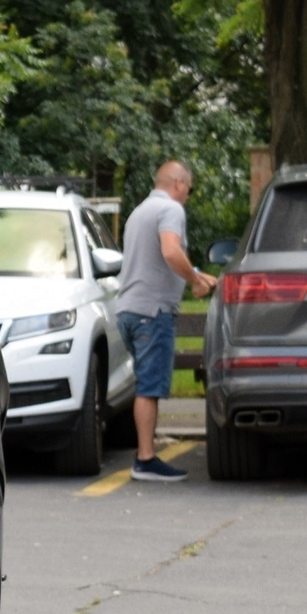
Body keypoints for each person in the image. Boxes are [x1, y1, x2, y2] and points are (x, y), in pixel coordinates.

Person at [114, 160, 216, 481]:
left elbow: (154, 258)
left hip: (129, 310)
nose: (188, 195)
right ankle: (145, 458)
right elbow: (171, 252)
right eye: (190, 189)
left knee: (145, 382)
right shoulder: (171, 210)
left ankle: (145, 454)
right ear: (179, 184)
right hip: (152, 311)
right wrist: (196, 282)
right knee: (149, 386)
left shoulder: (138, 212)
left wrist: (197, 274)